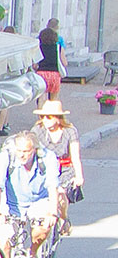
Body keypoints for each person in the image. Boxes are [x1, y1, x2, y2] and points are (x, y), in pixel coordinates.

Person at [0, 127, 62, 258]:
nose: (22, 155)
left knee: (43, 228)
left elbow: (53, 187)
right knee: (3, 245)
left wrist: (52, 212)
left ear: (34, 150)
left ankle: (33, 251)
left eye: (26, 152)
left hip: (38, 200)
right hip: (10, 202)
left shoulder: (47, 158)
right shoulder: (7, 156)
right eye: (19, 151)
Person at [33, 97, 86, 235]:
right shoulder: (38, 130)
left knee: (61, 195)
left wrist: (79, 176)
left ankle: (63, 218)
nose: (45, 120)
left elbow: (75, 155)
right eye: (43, 116)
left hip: (64, 169)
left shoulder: (69, 131)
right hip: (45, 168)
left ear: (58, 118)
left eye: (49, 117)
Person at [36, 18, 64, 100]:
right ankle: (52, 112)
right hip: (54, 74)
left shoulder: (39, 47)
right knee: (54, 99)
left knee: (41, 97)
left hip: (41, 74)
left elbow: (34, 63)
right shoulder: (58, 47)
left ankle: (41, 112)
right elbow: (64, 62)